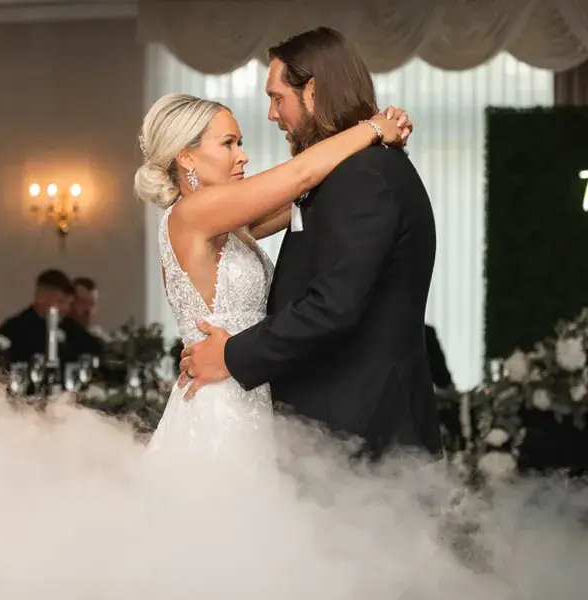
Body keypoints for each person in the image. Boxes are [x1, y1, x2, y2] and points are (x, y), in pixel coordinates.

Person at [177, 27, 441, 461]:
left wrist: (233, 355)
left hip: (359, 426)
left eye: (277, 97)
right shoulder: (352, 170)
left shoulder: (362, 177)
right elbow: (270, 208)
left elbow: (333, 305)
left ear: (313, 91)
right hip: (342, 420)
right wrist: (375, 127)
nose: (272, 115)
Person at [135, 71, 410, 457]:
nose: (242, 155)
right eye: (228, 143)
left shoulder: (227, 223)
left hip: (244, 387)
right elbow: (300, 175)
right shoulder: (195, 212)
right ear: (186, 156)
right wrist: (374, 128)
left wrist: (366, 148)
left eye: (241, 143)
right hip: (219, 403)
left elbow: (309, 193)